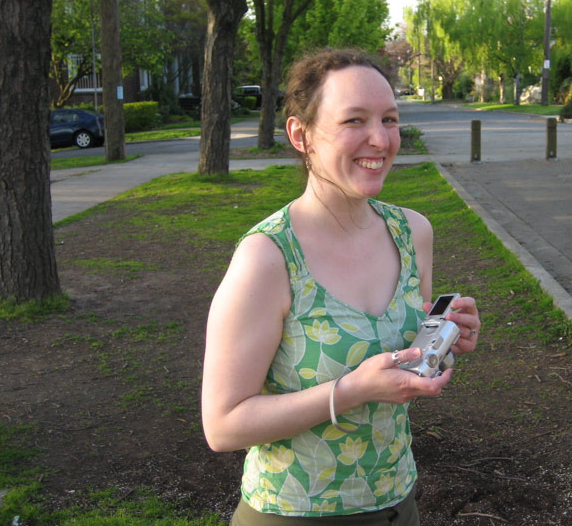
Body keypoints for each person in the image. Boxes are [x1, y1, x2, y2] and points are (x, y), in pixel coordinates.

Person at [201, 48, 481, 525]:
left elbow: (403, 361)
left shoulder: (412, 233)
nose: (380, 139)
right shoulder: (268, 258)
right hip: (293, 514)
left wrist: (444, 343)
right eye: (354, 120)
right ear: (300, 135)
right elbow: (223, 425)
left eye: (389, 119)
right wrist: (351, 390)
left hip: (398, 505)